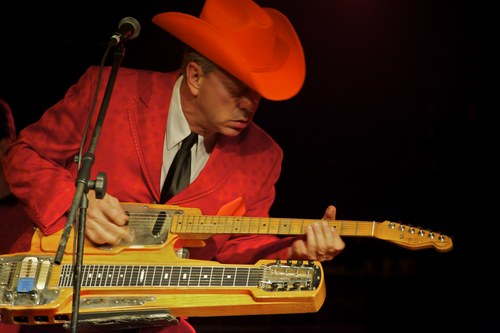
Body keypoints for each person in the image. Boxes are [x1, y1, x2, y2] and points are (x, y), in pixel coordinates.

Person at [2, 0, 345, 332]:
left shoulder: (263, 156)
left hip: (153, 312)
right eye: (237, 90)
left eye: (256, 94)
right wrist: (74, 203)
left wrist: (292, 250)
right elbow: (24, 154)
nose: (249, 106)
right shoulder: (110, 90)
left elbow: (238, 249)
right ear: (195, 76)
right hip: (54, 293)